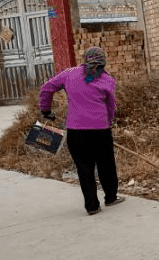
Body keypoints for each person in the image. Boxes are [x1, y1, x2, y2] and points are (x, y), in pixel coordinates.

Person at [40, 46, 124, 215]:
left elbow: (46, 89)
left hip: (76, 132)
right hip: (100, 130)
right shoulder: (108, 81)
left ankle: (92, 206)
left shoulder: (69, 74)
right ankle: (111, 197)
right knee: (106, 165)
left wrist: (46, 111)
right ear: (104, 62)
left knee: (84, 168)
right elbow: (111, 107)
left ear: (84, 59)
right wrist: (108, 124)